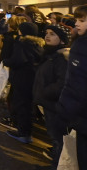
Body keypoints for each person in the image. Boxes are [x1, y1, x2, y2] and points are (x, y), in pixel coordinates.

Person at [33, 24, 70, 166]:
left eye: (52, 34)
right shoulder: (50, 54)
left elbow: (61, 84)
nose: (47, 36)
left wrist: (44, 92)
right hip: (48, 103)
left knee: (58, 139)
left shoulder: (61, 58)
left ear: (62, 40)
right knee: (54, 138)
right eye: (47, 33)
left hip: (54, 105)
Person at [4, 22, 44, 144]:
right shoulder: (38, 44)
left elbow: (17, 60)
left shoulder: (22, 43)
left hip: (22, 78)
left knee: (22, 105)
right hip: (32, 78)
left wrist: (7, 61)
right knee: (29, 106)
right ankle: (27, 132)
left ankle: (23, 133)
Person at [57, 4, 87, 167]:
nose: (76, 24)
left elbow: (77, 85)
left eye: (81, 20)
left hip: (81, 116)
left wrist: (64, 110)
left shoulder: (82, 45)